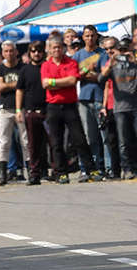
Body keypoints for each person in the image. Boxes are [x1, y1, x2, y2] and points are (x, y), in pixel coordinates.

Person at [42, 38, 100, 183]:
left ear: (63, 48)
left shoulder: (71, 62)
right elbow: (45, 84)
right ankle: (61, 173)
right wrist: (63, 82)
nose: (57, 50)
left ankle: (91, 169)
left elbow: (72, 81)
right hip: (53, 106)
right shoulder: (46, 65)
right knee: (56, 142)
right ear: (50, 49)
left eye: (59, 47)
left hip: (70, 106)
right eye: (54, 47)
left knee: (79, 139)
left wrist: (54, 82)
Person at [100, 38, 137, 178]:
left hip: (136, 107)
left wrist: (136, 61)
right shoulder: (113, 65)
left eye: (125, 50)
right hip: (120, 109)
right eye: (121, 50)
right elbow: (100, 79)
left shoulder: (136, 64)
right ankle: (127, 169)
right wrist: (111, 63)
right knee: (123, 142)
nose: (123, 53)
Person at [0, 41, 29, 185]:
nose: (9, 54)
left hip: (21, 108)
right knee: (4, 142)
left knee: (25, 141)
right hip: (5, 108)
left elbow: (24, 85)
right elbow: (0, 86)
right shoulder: (0, 68)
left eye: (11, 51)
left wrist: (8, 85)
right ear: (2, 53)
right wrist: (18, 84)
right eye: (6, 51)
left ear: (16, 52)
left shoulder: (23, 67)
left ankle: (30, 171)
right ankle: (2, 174)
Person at [72, 26, 111, 176]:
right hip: (83, 99)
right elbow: (74, 76)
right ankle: (90, 168)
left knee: (104, 136)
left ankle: (106, 167)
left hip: (100, 98)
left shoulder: (102, 54)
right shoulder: (78, 55)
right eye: (87, 36)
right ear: (83, 37)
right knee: (89, 136)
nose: (90, 38)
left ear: (96, 37)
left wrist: (87, 74)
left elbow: (103, 76)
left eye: (92, 35)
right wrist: (88, 71)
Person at [14, 41, 49, 185]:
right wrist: (18, 110)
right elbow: (19, 90)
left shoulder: (48, 67)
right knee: (33, 145)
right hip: (31, 111)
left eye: (39, 51)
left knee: (53, 143)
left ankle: (56, 172)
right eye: (33, 51)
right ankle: (34, 174)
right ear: (29, 53)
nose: (36, 54)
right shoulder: (25, 70)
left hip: (49, 110)